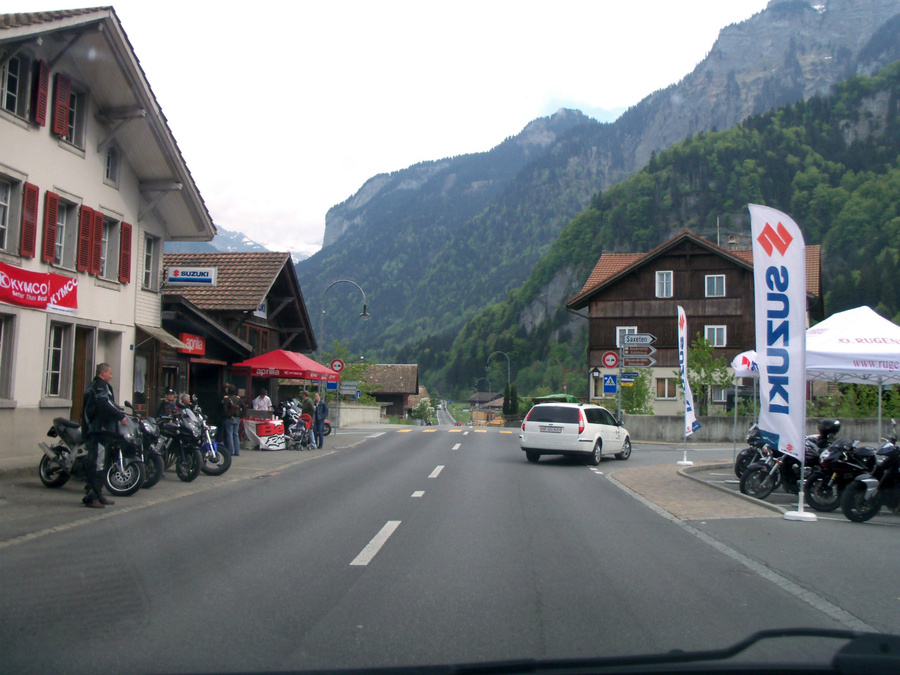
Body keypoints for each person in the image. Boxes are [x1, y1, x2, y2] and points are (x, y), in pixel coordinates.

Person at [80, 363, 127, 508]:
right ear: (102, 374)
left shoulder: (96, 386)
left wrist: (117, 409)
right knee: (97, 463)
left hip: (100, 430)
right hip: (98, 430)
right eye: (110, 373)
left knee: (101, 462)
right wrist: (120, 415)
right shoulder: (99, 387)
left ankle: (98, 493)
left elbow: (108, 403)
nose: (111, 376)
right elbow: (104, 403)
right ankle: (91, 496)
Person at [221, 384, 244, 457]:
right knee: (236, 434)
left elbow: (224, 409)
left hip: (229, 418)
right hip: (237, 418)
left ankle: (231, 451)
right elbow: (244, 407)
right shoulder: (238, 399)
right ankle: (237, 451)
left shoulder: (227, 399)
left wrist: (228, 415)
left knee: (229, 435)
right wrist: (240, 415)